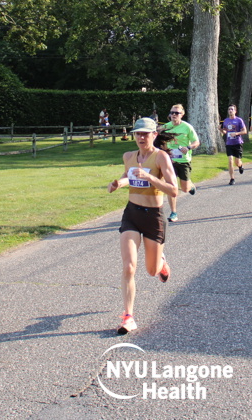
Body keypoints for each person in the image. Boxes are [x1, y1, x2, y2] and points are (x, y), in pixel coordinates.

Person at [107, 117, 178, 335]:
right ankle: (128, 317)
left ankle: (161, 262)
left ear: (154, 135)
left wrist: (149, 177)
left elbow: (173, 190)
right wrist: (118, 183)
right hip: (132, 214)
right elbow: (128, 177)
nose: (141, 137)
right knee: (129, 266)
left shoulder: (161, 157)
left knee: (151, 270)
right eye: (138, 133)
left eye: (145, 134)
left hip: (153, 217)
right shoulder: (128, 156)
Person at [161, 103, 199, 222]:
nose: (173, 115)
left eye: (176, 113)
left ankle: (190, 185)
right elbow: (159, 141)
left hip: (183, 161)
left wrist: (188, 147)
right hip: (170, 161)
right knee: (171, 187)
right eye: (172, 112)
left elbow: (196, 142)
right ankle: (173, 212)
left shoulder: (187, 127)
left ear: (182, 114)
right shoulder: (165, 127)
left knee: (185, 189)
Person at [220, 105, 248, 185]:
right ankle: (232, 178)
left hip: (238, 143)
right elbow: (225, 132)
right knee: (230, 160)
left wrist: (236, 133)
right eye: (229, 109)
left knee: (237, 162)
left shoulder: (239, 120)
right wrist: (220, 129)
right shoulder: (225, 121)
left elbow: (245, 131)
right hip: (229, 143)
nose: (230, 110)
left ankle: (240, 166)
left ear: (235, 111)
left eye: (232, 109)